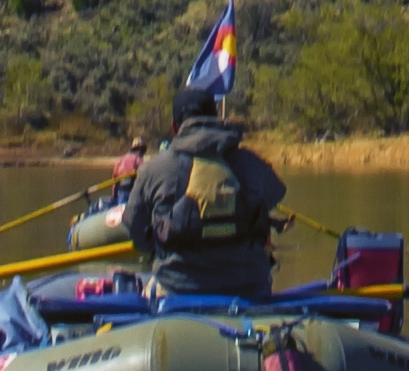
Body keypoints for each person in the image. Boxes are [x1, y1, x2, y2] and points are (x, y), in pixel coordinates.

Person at [122, 88, 287, 297]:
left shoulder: (153, 169)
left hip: (177, 286)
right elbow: (276, 193)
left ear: (175, 127)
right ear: (216, 118)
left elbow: (134, 226)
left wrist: (160, 250)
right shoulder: (251, 162)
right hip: (250, 286)